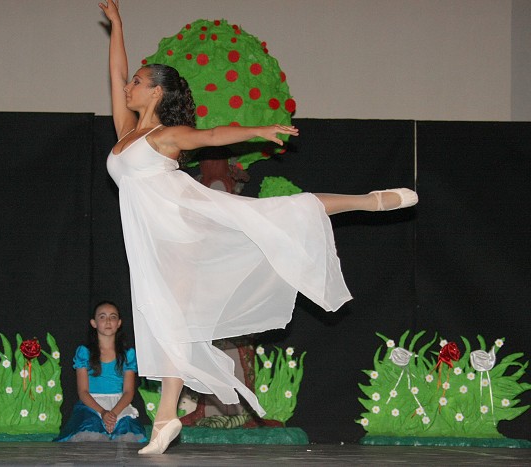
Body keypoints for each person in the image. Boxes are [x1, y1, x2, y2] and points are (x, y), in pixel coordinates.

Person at [97, 0, 418, 454]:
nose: (128, 86)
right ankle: (166, 419)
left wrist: (258, 130)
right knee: (167, 322)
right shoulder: (125, 132)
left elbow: (211, 136)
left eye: (138, 82)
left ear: (156, 94)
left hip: (184, 228)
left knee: (278, 213)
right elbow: (115, 74)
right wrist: (117, 25)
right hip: (154, 242)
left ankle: (369, 201)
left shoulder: (164, 136)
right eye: (131, 81)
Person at [55, 301, 147, 443]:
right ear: (94, 323)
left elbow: (128, 392)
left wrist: (113, 414)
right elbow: (83, 391)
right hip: (92, 405)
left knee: (127, 433)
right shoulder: (84, 353)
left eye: (113, 317)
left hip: (119, 405)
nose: (108, 321)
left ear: (119, 323)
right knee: (91, 431)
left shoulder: (128, 355)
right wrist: (103, 412)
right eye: (102, 317)